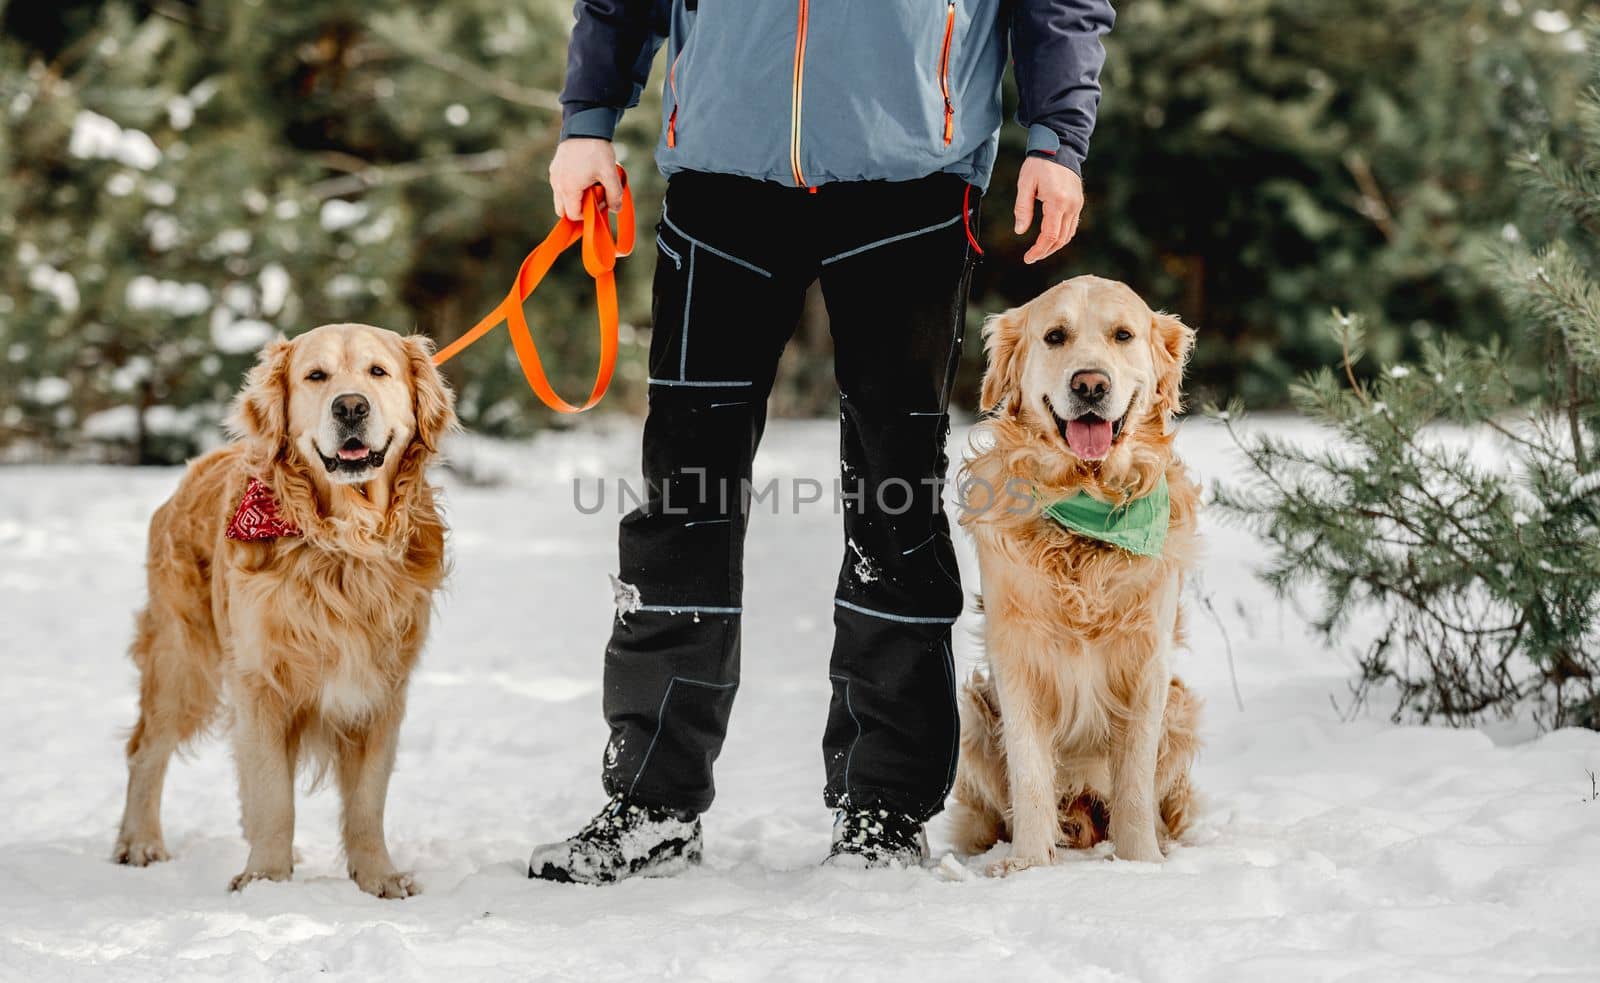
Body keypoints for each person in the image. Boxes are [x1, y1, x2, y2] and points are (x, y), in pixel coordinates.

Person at [529, 0, 1114, 884]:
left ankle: (883, 806)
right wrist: (587, 119)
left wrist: (1058, 135)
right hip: (724, 177)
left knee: (896, 494)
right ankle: (652, 801)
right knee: (684, 495)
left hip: (911, 177)